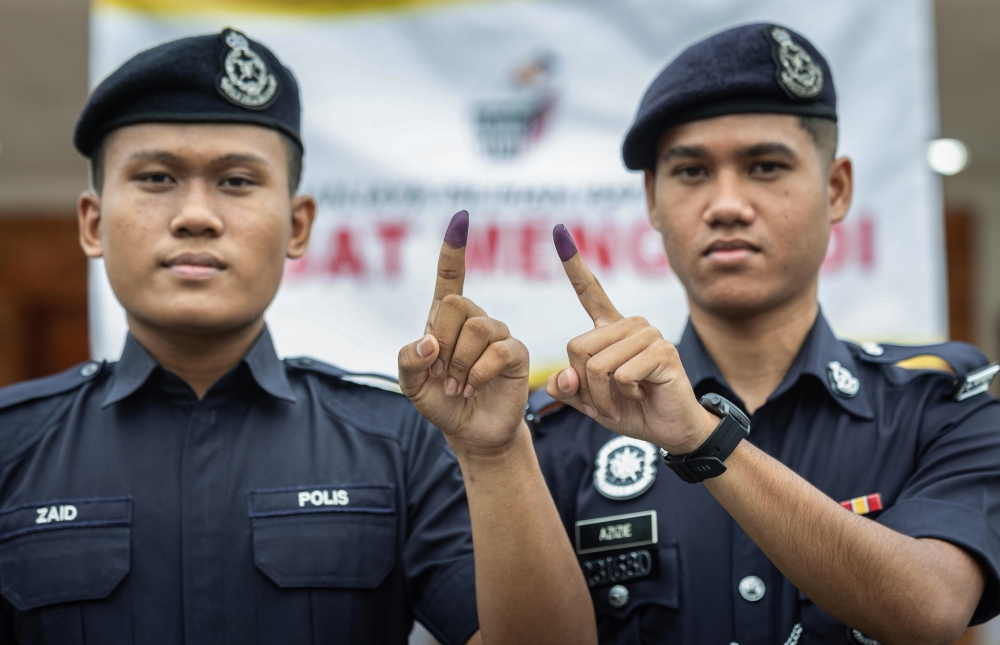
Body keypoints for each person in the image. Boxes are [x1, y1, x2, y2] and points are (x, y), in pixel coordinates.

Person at [0, 29, 596, 645]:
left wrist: (497, 454)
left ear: (297, 225)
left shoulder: (399, 442)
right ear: (93, 223)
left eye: (236, 181)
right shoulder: (11, 446)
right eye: (156, 178)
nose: (197, 215)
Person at [529, 23, 1000, 645]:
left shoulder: (941, 401)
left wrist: (704, 438)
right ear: (652, 199)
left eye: (765, 166)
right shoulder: (568, 423)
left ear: (836, 189)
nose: (726, 204)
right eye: (692, 171)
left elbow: (931, 609)